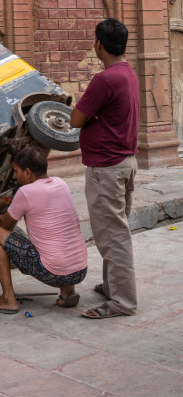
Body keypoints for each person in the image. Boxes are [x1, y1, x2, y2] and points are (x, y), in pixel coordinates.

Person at [70, 17, 140, 319]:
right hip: (124, 163)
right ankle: (114, 287)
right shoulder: (127, 73)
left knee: (113, 237)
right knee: (115, 231)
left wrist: (90, 118)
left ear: (99, 44)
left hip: (107, 168)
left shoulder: (105, 79)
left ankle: (122, 301)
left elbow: (75, 119)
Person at [0, 146, 87, 314]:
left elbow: (5, 224)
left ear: (27, 172)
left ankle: (8, 299)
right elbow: (28, 198)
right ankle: (67, 293)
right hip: (80, 270)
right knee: (59, 241)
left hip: (53, 272)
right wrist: (3, 201)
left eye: (16, 171)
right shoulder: (60, 183)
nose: (15, 176)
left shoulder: (25, 192)